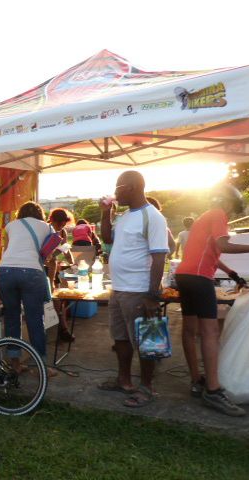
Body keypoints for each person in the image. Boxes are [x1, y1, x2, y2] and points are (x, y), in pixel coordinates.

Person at [175, 183, 249, 417]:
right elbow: (222, 245)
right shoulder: (219, 214)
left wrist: (232, 274)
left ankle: (197, 381)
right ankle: (214, 391)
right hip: (200, 279)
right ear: (228, 202)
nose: (231, 214)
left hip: (184, 275)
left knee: (190, 330)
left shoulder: (202, 217)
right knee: (210, 332)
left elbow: (209, 253)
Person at [98, 171, 169, 407]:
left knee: (146, 341)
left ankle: (146, 388)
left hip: (138, 291)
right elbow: (107, 237)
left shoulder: (153, 217)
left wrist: (152, 294)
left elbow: (159, 257)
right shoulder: (126, 215)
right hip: (118, 289)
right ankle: (124, 380)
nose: (115, 192)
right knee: (120, 338)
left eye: (118, 187)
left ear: (131, 187)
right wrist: (104, 213)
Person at [0, 201, 58, 375]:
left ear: (20, 214)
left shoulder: (10, 226)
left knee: (12, 317)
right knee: (35, 320)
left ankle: (15, 364)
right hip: (31, 273)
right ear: (40, 214)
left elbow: (7, 250)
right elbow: (49, 256)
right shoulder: (47, 227)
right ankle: (41, 367)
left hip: (5, 271)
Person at [46, 208, 76, 342]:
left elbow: (65, 249)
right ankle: (57, 330)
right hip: (41, 269)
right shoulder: (45, 229)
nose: (61, 227)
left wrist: (73, 264)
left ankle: (62, 330)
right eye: (59, 224)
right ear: (52, 220)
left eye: (63, 224)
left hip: (52, 269)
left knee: (57, 300)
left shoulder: (62, 232)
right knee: (48, 300)